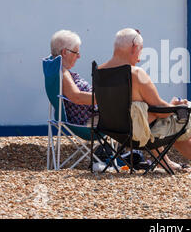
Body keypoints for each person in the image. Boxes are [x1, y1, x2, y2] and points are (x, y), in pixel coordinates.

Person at [99, 28, 191, 174]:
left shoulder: (99, 72)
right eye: (141, 50)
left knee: (176, 131)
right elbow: (161, 111)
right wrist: (175, 106)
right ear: (134, 47)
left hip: (118, 134)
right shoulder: (136, 73)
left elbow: (122, 107)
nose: (140, 56)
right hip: (143, 135)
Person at [49, 29, 184, 171]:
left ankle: (164, 158)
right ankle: (173, 123)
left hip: (93, 115)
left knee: (141, 108)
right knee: (143, 111)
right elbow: (76, 97)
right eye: (76, 52)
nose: (79, 56)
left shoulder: (56, 69)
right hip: (92, 121)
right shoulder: (62, 72)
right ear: (65, 52)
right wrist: (108, 97)